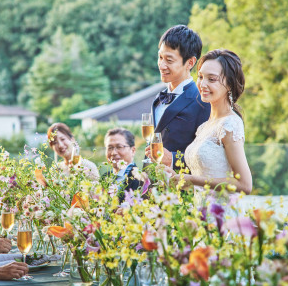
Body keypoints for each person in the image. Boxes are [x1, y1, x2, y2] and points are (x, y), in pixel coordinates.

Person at [165, 49, 252, 201]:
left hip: (222, 217)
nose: (202, 84)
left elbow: (245, 185)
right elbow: (206, 177)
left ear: (230, 84)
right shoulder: (204, 127)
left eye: (211, 79)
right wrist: (177, 178)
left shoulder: (230, 124)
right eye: (200, 77)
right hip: (201, 215)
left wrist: (192, 180)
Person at [145, 25, 211, 169]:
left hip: (183, 187)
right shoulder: (158, 100)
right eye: (160, 57)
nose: (161, 65)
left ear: (190, 62)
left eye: (169, 60)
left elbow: (209, 156)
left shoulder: (203, 101)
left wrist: (173, 159)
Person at [104, 128, 140, 201]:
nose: (113, 153)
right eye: (110, 148)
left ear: (133, 150)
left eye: (119, 147)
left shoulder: (139, 180)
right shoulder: (105, 177)